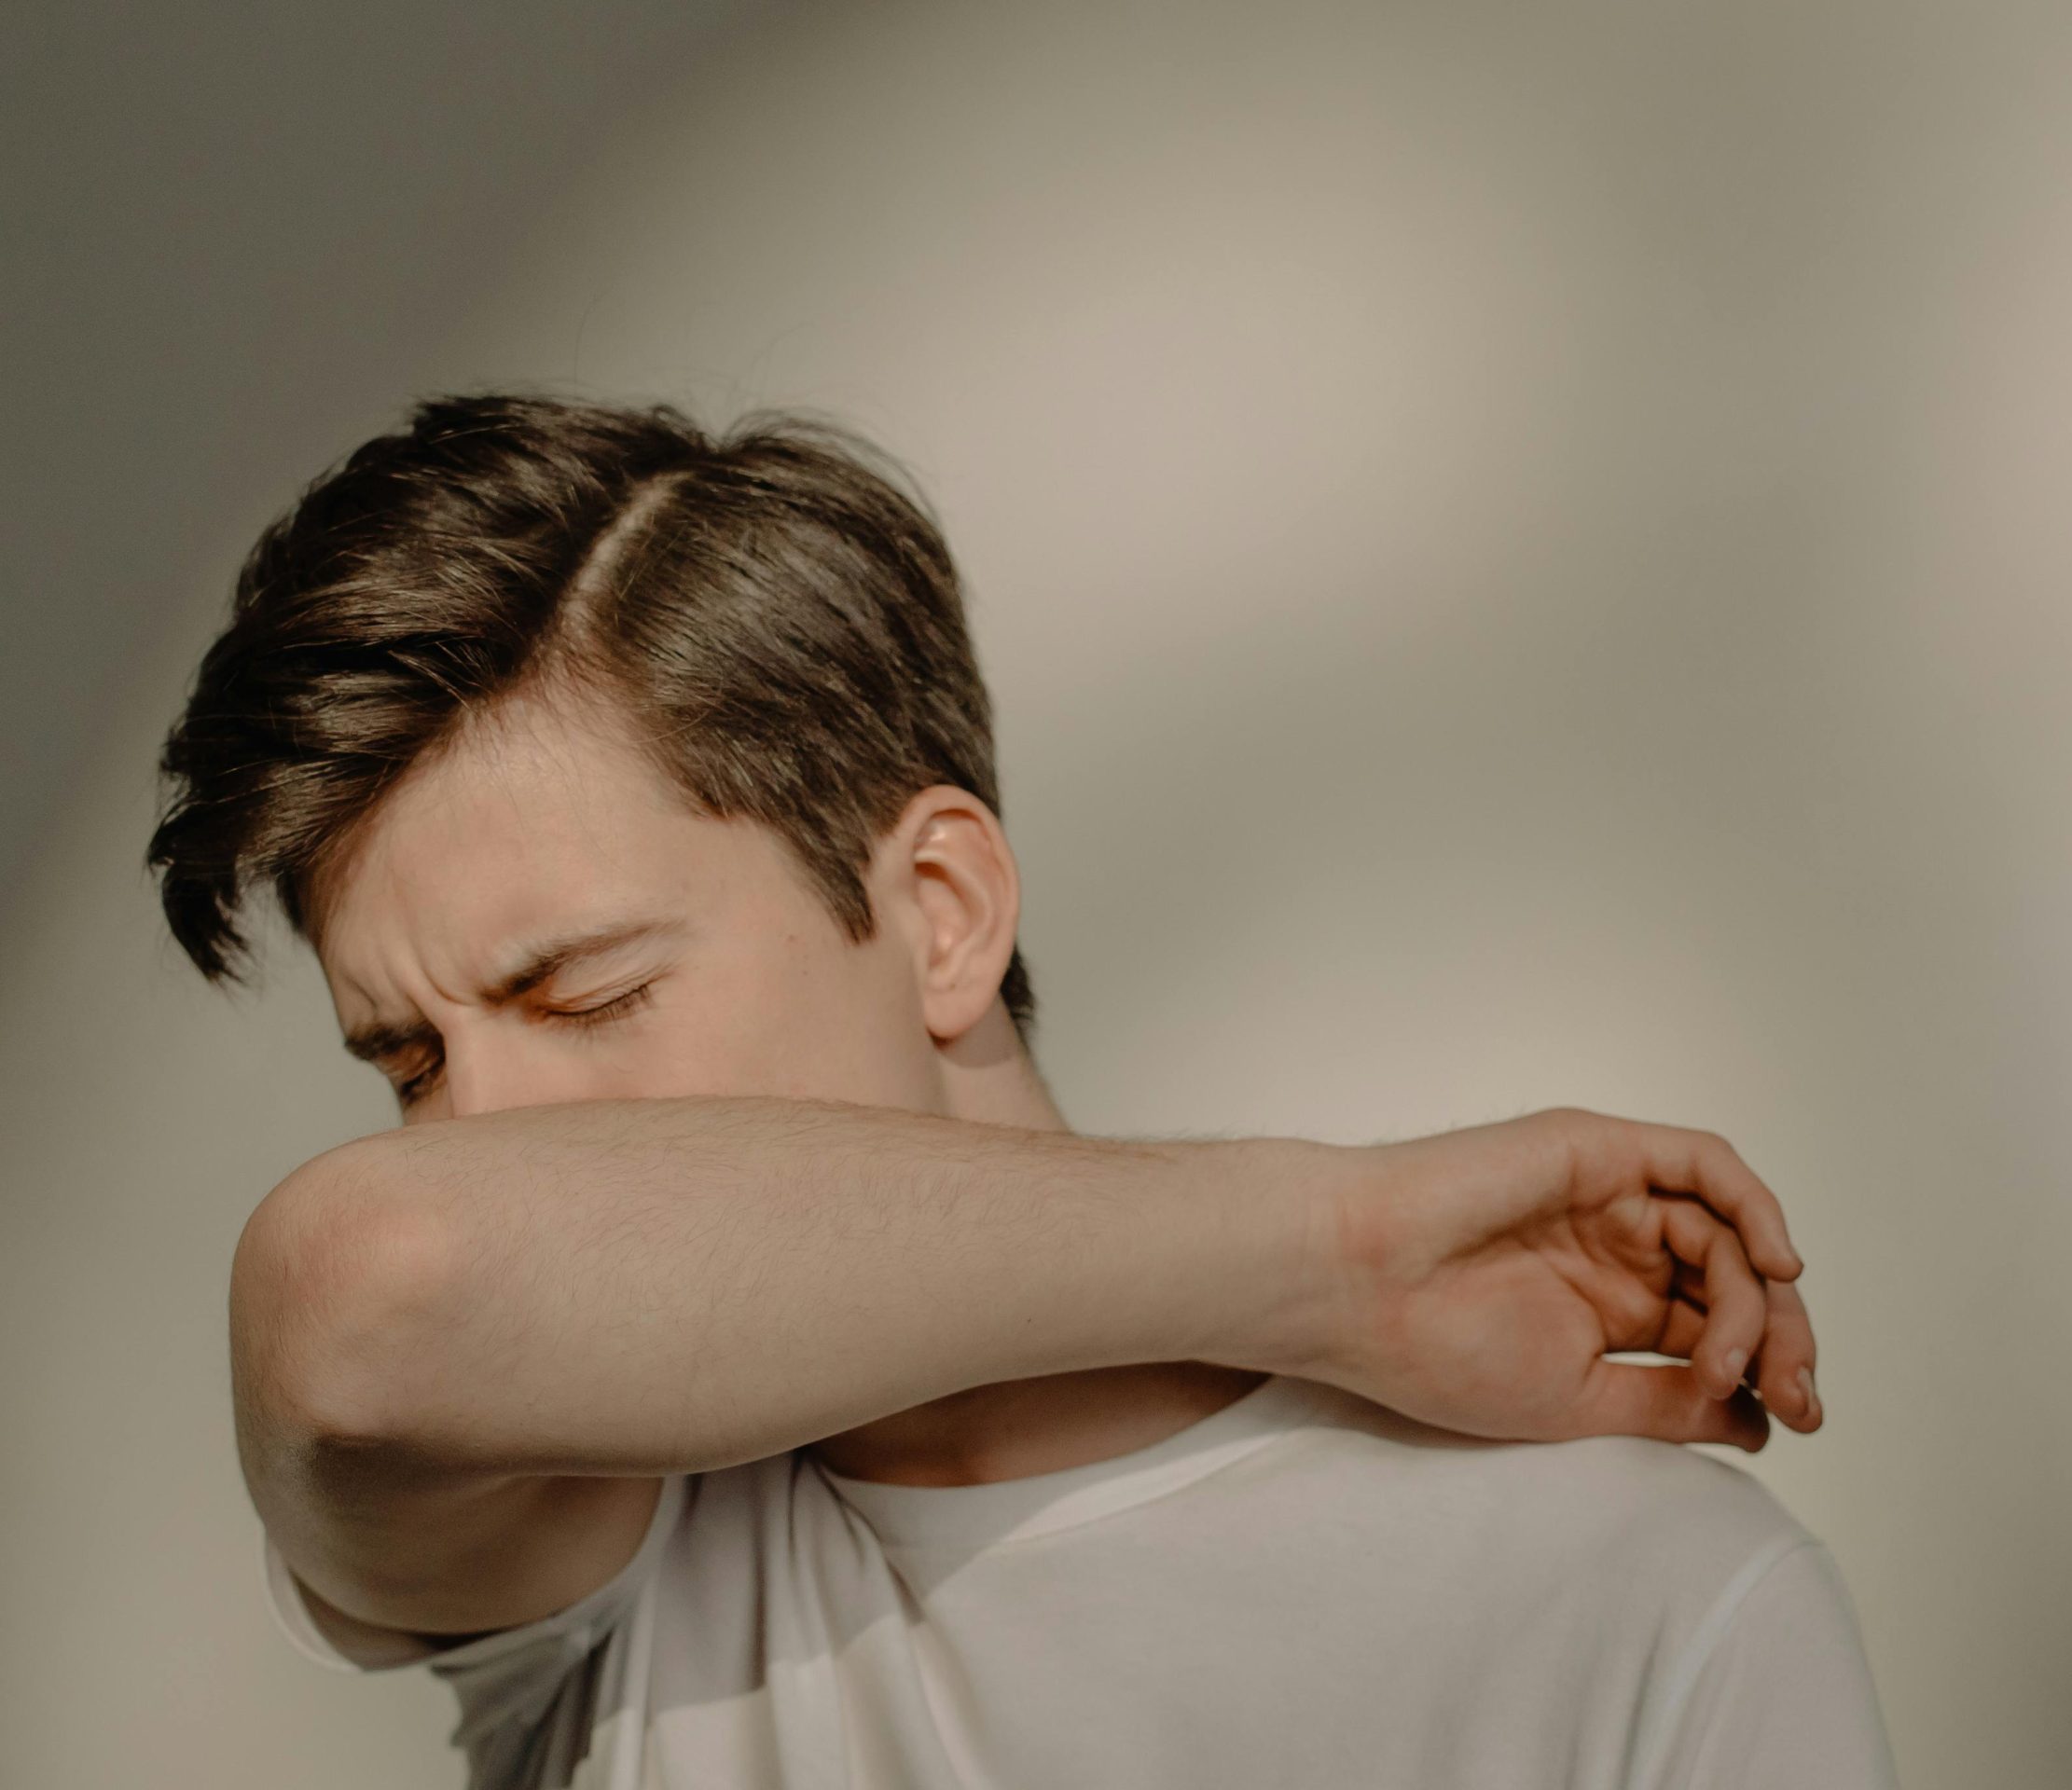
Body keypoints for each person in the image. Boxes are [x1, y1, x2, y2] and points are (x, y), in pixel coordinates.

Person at [146, 392, 1899, 1789]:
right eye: (412, 1062)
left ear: (941, 917)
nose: (480, 1142)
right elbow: (368, 1291)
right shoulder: (590, 1549)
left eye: (585, 994)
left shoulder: (1631, 1592)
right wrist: (1337, 1245)